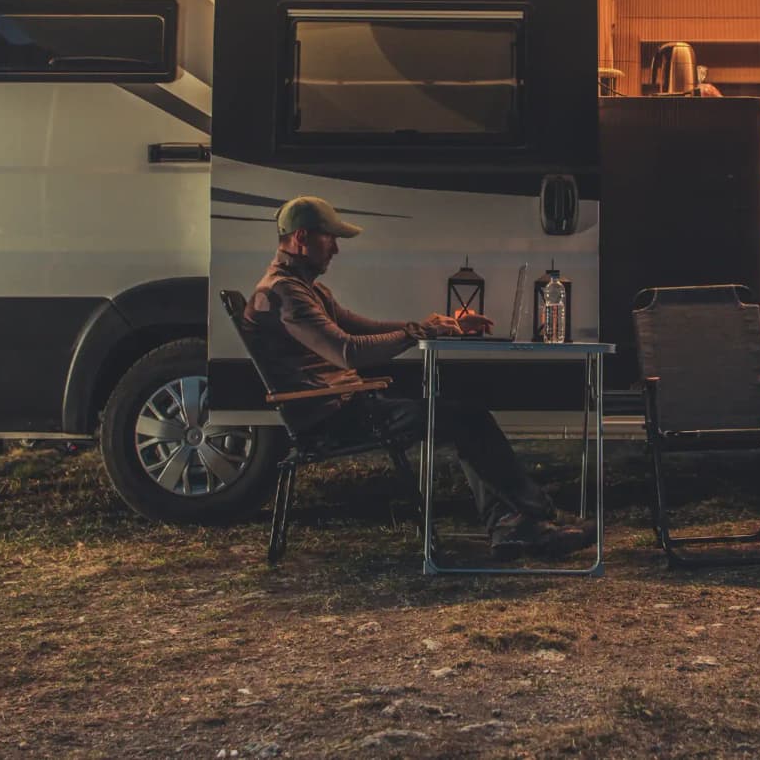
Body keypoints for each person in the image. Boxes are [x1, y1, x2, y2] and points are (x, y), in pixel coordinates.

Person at [244, 195, 595, 560]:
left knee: (465, 412)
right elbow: (347, 351)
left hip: (347, 406)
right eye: (329, 238)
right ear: (301, 237)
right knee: (467, 417)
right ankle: (533, 517)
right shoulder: (284, 293)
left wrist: (440, 326)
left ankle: (515, 523)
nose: (335, 249)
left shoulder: (304, 288)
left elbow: (362, 327)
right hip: (333, 419)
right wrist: (417, 331)